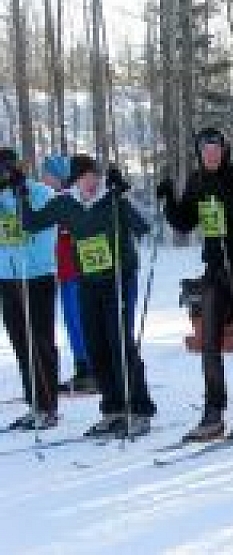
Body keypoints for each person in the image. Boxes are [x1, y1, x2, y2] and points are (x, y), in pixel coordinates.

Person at [19, 154, 156, 437]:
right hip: (88, 281)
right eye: (84, 178)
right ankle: (113, 409)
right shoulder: (66, 203)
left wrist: (125, 194)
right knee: (95, 346)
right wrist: (21, 195)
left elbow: (144, 225)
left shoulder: (112, 197)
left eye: (94, 176)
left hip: (118, 279)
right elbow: (31, 223)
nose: (90, 182)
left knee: (120, 343)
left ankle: (139, 408)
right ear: (74, 181)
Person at [157, 128, 233, 441]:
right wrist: (169, 200)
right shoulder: (198, 180)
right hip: (215, 267)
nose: (212, 155)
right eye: (206, 150)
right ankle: (213, 411)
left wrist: (224, 196)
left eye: (216, 149)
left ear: (224, 150)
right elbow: (184, 223)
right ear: (200, 153)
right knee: (209, 340)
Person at [0, 148, 59, 430]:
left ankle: (48, 406)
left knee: (39, 341)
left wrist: (21, 197)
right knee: (20, 342)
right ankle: (34, 402)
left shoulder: (40, 193)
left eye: (6, 168)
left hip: (36, 275)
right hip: (8, 277)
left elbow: (42, 230)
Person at [40, 155, 98, 394]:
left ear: (58, 177)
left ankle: (91, 370)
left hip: (77, 272)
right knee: (72, 323)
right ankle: (83, 368)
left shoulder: (69, 200)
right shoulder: (56, 199)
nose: (43, 179)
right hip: (65, 272)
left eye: (47, 175)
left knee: (80, 321)